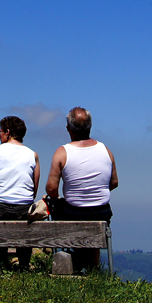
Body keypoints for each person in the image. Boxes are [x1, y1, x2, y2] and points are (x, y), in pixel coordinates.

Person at [46, 107, 118, 271]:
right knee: (94, 233)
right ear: (90, 127)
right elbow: (114, 183)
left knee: (58, 208)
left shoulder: (62, 152)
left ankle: (74, 262)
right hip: (102, 213)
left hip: (73, 213)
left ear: (68, 128)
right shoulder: (106, 151)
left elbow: (51, 189)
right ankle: (93, 268)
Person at [0, 115, 41, 269]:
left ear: (7, 132)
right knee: (26, 219)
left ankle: (1, 264)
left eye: (0, 132)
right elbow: (34, 188)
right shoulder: (32, 154)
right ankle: (23, 264)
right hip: (23, 208)